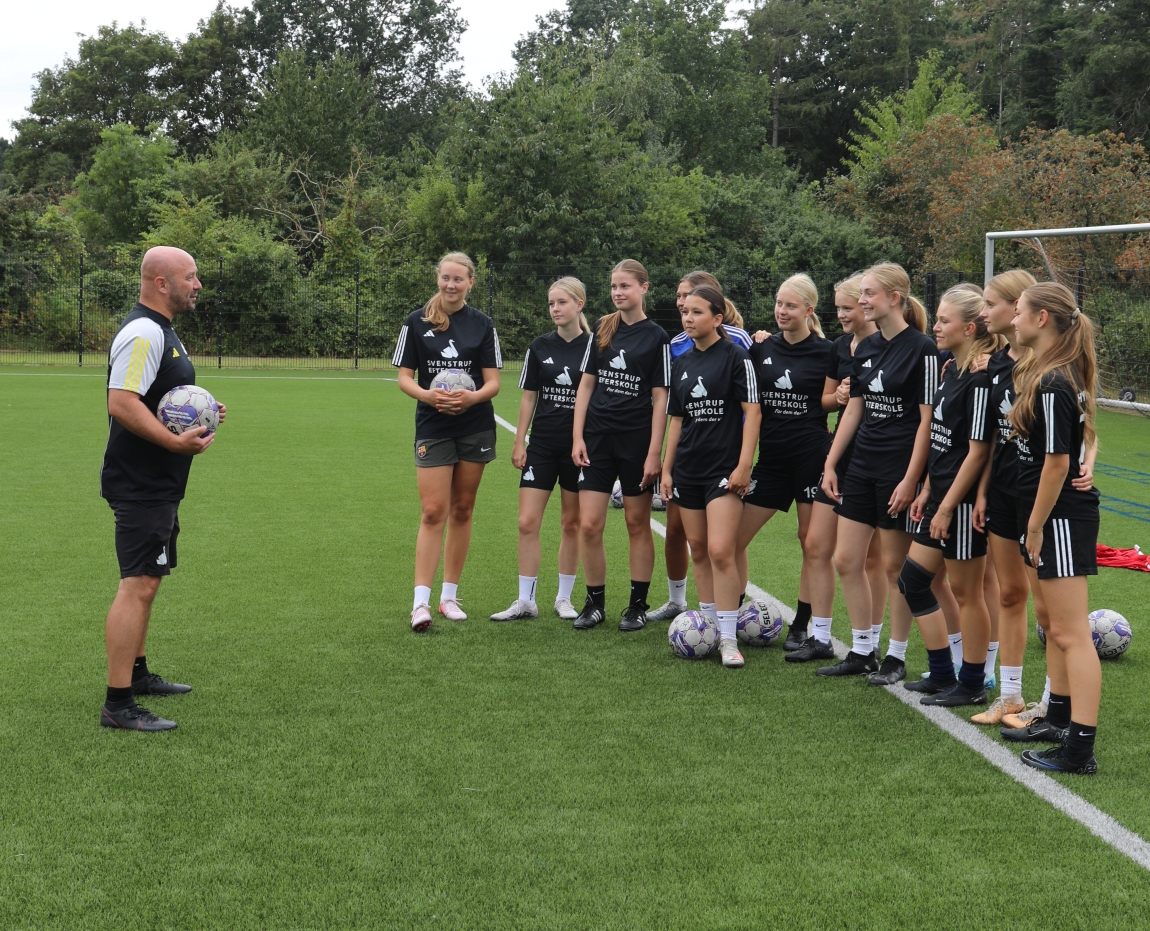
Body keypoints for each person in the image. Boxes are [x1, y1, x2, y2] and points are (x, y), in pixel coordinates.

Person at [99, 246, 226, 731]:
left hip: (159, 481)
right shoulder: (144, 332)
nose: (197, 285)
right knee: (138, 584)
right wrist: (174, 442)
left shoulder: (164, 330)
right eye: (190, 277)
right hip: (141, 481)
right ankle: (118, 704)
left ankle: (137, 674)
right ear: (161, 283)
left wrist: (201, 409)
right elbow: (121, 402)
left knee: (149, 582)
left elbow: (158, 397)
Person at [818, 263, 940, 677]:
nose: (863, 301)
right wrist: (831, 463)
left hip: (897, 471)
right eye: (862, 294)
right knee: (845, 559)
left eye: (869, 294)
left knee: (894, 568)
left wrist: (911, 479)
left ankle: (896, 656)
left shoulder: (923, 348)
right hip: (861, 466)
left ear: (895, 298)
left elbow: (927, 421)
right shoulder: (865, 347)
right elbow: (854, 410)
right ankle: (862, 650)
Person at [1004, 282, 1102, 775]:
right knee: (1053, 623)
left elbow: (1057, 463)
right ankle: (1058, 719)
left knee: (1070, 632)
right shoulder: (1052, 372)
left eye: (1018, 311)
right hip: (1048, 514)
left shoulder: (1054, 381)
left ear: (1041, 318)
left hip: (1059, 517)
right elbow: (1080, 440)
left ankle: (1079, 749)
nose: (1012, 319)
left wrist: (1036, 526)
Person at [896, 286, 1000, 704]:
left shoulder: (979, 380)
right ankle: (942, 673)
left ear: (969, 328)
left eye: (944, 320)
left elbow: (978, 452)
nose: (935, 327)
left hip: (960, 503)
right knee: (913, 581)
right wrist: (926, 490)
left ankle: (973, 683)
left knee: (967, 593)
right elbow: (943, 440)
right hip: (939, 495)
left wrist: (949, 506)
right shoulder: (951, 369)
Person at [393, 252, 502, 632]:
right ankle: (420, 604)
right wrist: (428, 396)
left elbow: (493, 382)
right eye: (446, 278)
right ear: (438, 279)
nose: (451, 285)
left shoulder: (483, 324)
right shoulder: (416, 321)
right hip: (433, 427)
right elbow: (404, 378)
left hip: (475, 426)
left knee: (463, 509)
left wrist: (472, 398)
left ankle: (449, 597)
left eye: (458, 279)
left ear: (471, 282)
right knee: (432, 512)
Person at [787, 275, 888, 664]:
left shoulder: (892, 346)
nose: (843, 314)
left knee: (872, 558)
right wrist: (840, 396)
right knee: (816, 545)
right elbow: (826, 400)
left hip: (877, 458)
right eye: (840, 308)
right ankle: (821, 637)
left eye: (849, 307)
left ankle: (870, 641)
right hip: (840, 458)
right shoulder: (839, 347)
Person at [661, 286, 760, 667]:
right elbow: (676, 421)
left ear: (718, 319)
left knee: (721, 550)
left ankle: (729, 640)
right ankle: (709, 629)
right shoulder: (682, 362)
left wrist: (744, 465)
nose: (688, 318)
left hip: (724, 470)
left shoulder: (736, 357)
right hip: (687, 469)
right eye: (685, 312)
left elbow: (753, 412)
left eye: (697, 312)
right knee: (699, 550)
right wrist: (667, 469)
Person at [572, 259, 671, 631]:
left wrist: (654, 453)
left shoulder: (657, 336)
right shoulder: (602, 327)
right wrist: (578, 436)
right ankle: (594, 604)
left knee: (636, 523)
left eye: (625, 286)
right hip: (597, 440)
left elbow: (660, 398)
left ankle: (637, 606)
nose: (617, 292)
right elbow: (586, 384)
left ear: (643, 288)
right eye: (614, 286)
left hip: (636, 442)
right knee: (589, 525)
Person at [736, 274, 834, 648]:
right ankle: (731, 611)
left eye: (790, 305)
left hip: (811, 458)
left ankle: (801, 625)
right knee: (732, 540)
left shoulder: (828, 352)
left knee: (811, 543)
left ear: (809, 310)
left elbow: (838, 397)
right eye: (779, 303)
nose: (781, 310)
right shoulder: (761, 348)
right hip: (771, 461)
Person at [970, 270, 1045, 724]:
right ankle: (1011, 696)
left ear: (1017, 307)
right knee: (1011, 594)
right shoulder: (994, 365)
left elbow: (1084, 428)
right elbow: (994, 440)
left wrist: (1087, 465)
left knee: (1049, 611)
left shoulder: (1051, 365)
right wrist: (982, 493)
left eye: (990, 304)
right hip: (1001, 493)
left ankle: (1052, 703)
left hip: (1040, 496)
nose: (984, 312)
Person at [492, 278, 591, 621]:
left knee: (571, 523)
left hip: (578, 449)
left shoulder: (595, 347)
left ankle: (564, 598)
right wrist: (519, 440)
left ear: (579, 304)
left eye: (562, 302)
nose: (555, 309)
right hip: (543, 445)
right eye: (551, 303)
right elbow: (529, 397)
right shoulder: (539, 346)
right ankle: (526, 600)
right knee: (526, 522)